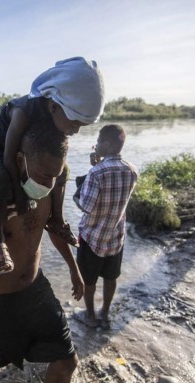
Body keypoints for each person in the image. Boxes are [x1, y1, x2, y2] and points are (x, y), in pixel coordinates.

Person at [0, 120, 85, 383]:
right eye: (42, 175)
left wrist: (74, 269)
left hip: (35, 291)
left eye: (56, 175)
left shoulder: (52, 182)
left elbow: (51, 229)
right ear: (20, 160)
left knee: (67, 361)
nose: (48, 184)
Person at [0, 56, 105, 276]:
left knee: (63, 171)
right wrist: (22, 196)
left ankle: (57, 219)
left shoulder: (58, 115)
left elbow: (56, 157)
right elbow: (9, 158)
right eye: (74, 123)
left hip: (30, 154)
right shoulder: (23, 112)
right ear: (55, 106)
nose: (75, 131)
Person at [74, 124, 138, 328]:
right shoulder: (131, 170)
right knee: (111, 277)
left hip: (92, 237)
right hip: (115, 237)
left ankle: (90, 316)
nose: (96, 145)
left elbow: (86, 206)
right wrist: (96, 165)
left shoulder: (97, 173)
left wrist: (91, 172)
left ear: (107, 144)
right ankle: (105, 314)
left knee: (89, 280)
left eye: (99, 141)